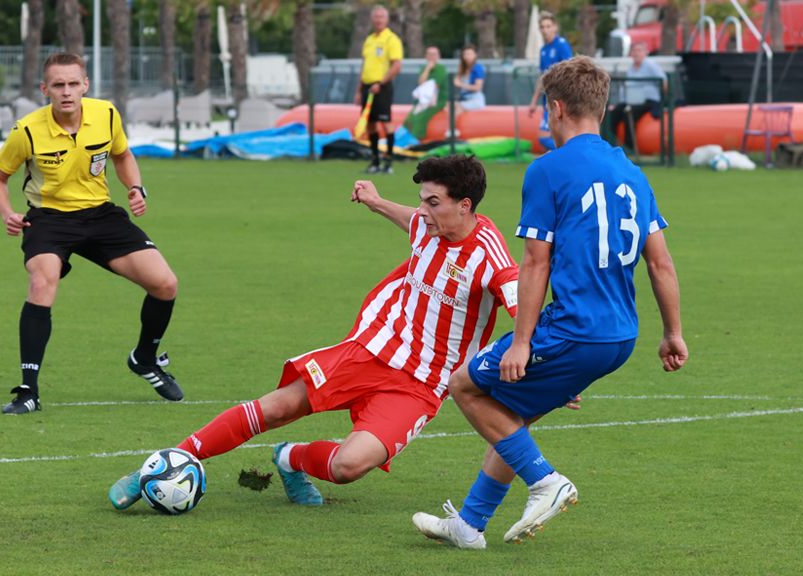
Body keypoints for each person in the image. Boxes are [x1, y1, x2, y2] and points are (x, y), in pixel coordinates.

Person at [108, 155, 520, 510]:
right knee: (276, 408)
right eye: (422, 201)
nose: (423, 211)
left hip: (421, 384)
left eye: (433, 202)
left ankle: (290, 459)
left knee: (349, 467)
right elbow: (411, 220)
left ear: (464, 206)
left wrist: (545, 363)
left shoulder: (491, 257)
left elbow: (526, 311)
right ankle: (161, 466)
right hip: (370, 349)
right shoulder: (430, 226)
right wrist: (375, 202)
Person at [412, 56, 688, 549]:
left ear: (556, 108)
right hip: (621, 335)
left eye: (545, 110)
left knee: (467, 386)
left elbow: (535, 263)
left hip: (574, 327)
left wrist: (522, 343)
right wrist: (673, 333)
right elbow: (661, 264)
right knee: (511, 416)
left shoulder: (548, 170)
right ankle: (470, 525)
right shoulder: (631, 172)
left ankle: (546, 482)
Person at [0, 53, 183, 415]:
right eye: (58, 85)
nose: (66, 92)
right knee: (42, 282)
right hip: (49, 219)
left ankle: (144, 358)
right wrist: (6, 214)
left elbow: (123, 155)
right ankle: (28, 391)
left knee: (165, 284)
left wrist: (136, 188)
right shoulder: (27, 130)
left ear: (85, 85)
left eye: (73, 84)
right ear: (45, 89)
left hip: (101, 216)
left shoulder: (106, 114)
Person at [356, 5, 403, 175]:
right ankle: (375, 161)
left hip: (382, 87)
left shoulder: (391, 39)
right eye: (375, 16)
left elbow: (397, 65)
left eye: (381, 16)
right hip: (368, 87)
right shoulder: (369, 39)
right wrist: (359, 89)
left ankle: (388, 162)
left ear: (387, 19)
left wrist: (381, 84)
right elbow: (364, 65)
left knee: (386, 122)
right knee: (370, 125)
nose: (378, 19)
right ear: (371, 19)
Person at [606, 42, 667, 152]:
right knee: (613, 114)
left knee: (629, 114)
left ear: (645, 52)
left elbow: (664, 82)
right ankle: (610, 145)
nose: (636, 53)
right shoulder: (630, 69)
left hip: (649, 101)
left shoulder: (650, 65)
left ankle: (629, 148)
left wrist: (662, 98)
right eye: (634, 50)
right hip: (632, 100)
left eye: (639, 50)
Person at [528, 11, 573, 152]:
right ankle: (565, 157)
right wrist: (534, 101)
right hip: (547, 100)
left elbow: (570, 70)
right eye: (542, 27)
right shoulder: (543, 50)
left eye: (548, 26)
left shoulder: (561, 44)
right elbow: (543, 77)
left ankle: (570, 154)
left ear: (555, 27)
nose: (545, 30)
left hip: (559, 100)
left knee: (544, 137)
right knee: (552, 140)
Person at [403, 45, 447, 140]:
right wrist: (427, 69)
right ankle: (404, 139)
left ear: (438, 56)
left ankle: (416, 140)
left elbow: (434, 87)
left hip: (436, 101)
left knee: (421, 117)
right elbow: (421, 83)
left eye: (434, 54)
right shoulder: (423, 69)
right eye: (429, 54)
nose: (431, 57)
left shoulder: (441, 69)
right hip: (424, 101)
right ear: (426, 56)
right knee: (409, 118)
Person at [454, 46, 486, 116]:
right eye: (465, 54)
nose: (467, 56)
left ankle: (452, 126)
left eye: (469, 54)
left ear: (475, 55)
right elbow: (456, 81)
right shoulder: (462, 68)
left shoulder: (478, 68)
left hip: (475, 100)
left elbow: (477, 88)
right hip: (464, 99)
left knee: (457, 108)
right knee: (448, 105)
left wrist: (461, 84)